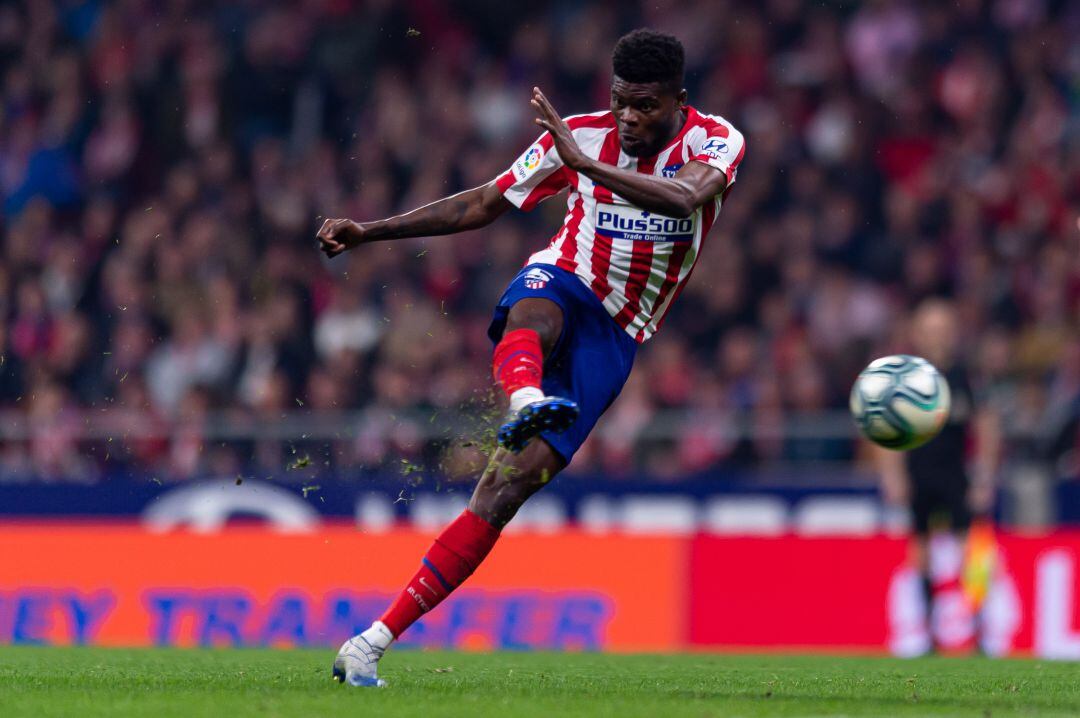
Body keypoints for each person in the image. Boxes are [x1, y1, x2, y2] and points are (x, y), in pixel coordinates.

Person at [317, 29, 745, 686]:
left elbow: (686, 197)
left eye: (646, 107)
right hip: (567, 278)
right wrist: (372, 231)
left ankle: (371, 642)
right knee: (536, 311)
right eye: (621, 102)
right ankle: (526, 397)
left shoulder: (715, 141)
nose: (629, 117)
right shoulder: (578, 135)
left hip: (618, 333)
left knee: (505, 489)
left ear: (678, 101)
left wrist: (587, 165)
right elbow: (485, 202)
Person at [877, 298, 1000, 653]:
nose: (937, 337)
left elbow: (987, 425)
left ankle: (978, 630)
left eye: (943, 329)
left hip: (955, 474)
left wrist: (984, 476)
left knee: (970, 551)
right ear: (916, 334)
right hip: (919, 473)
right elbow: (885, 429)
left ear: (954, 333)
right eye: (930, 330)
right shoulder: (902, 379)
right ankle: (929, 633)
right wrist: (892, 476)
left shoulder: (967, 376)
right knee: (921, 551)